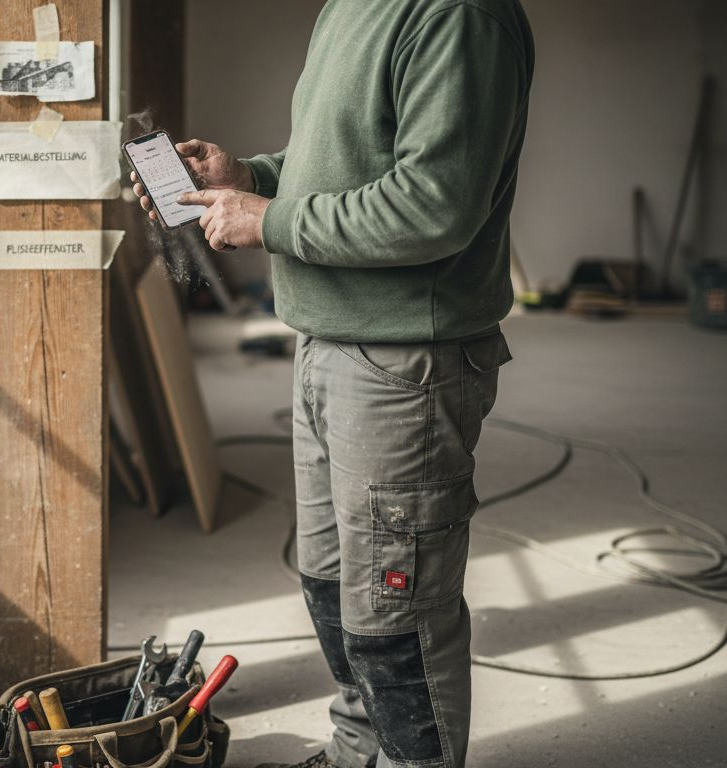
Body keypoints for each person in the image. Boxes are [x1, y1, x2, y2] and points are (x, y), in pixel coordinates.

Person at [131, 1, 535, 766]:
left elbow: (433, 207)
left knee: (397, 618)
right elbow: (340, 163)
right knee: (335, 590)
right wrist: (247, 177)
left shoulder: (457, 16)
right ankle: (358, 753)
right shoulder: (349, 8)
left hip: (404, 365)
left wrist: (270, 220)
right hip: (326, 343)